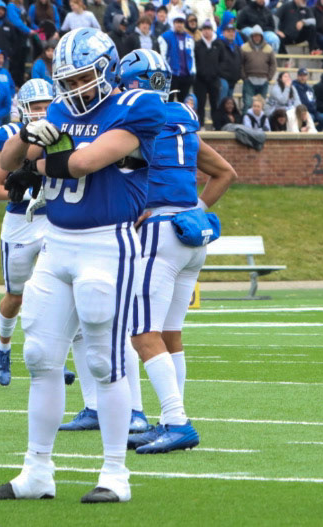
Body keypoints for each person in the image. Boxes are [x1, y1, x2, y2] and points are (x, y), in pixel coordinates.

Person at [0, 27, 166, 504]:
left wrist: (38, 164)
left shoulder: (136, 106)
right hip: (57, 243)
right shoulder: (60, 110)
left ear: (107, 70)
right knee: (39, 356)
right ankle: (36, 472)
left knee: (104, 361)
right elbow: (7, 161)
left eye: (83, 77)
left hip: (108, 242)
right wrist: (26, 137)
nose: (76, 88)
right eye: (68, 80)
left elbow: (83, 163)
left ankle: (115, 474)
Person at [118, 49, 236, 454]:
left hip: (159, 235)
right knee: (170, 333)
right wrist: (193, 209)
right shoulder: (183, 117)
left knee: (141, 332)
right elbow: (225, 173)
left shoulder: (138, 120)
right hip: (189, 235)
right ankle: (172, 418)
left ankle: (176, 420)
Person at [0, 78, 75, 388]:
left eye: (46, 104)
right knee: (15, 296)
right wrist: (27, 193)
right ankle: (3, 346)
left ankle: (53, 355)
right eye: (35, 106)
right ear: (23, 108)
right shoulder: (11, 135)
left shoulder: (64, 130)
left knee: (57, 289)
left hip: (54, 221)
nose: (41, 111)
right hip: (21, 223)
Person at [159, 14, 197, 102]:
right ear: (174, 23)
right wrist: (165, 71)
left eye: (181, 22)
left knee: (183, 101)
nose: (179, 25)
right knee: (169, 99)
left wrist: (193, 71)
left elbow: (191, 56)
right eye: (177, 22)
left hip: (186, 74)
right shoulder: (166, 37)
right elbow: (163, 55)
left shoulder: (189, 38)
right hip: (172, 73)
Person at [240, 24, 277, 113]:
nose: (257, 38)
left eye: (258, 36)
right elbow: (240, 63)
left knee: (261, 105)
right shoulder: (244, 47)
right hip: (249, 80)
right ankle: (246, 121)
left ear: (261, 36)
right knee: (248, 104)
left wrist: (269, 77)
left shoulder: (268, 48)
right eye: (255, 35)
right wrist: (244, 77)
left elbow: (273, 64)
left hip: (264, 81)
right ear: (252, 36)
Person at [194, 19, 220, 127]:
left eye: (208, 29)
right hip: (200, 80)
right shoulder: (197, 45)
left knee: (215, 104)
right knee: (200, 104)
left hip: (214, 79)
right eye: (204, 29)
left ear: (212, 30)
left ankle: (216, 126)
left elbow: (222, 60)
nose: (206, 31)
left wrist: (217, 72)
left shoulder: (218, 44)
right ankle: (201, 126)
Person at [215, 20, 243, 104]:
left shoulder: (236, 47)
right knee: (222, 101)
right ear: (224, 33)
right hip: (222, 78)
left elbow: (239, 62)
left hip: (233, 79)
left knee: (228, 104)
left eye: (233, 31)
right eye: (228, 31)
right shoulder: (218, 44)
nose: (231, 33)